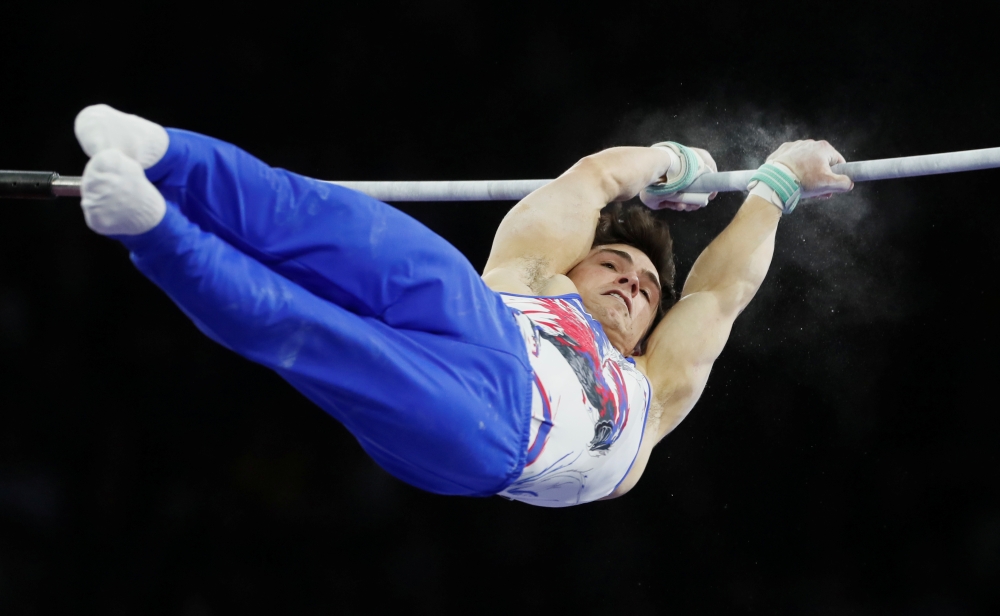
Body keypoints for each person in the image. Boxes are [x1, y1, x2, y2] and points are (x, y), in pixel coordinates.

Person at [73, 104, 853, 507]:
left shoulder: (650, 400)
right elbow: (588, 181)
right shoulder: (533, 271)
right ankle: (166, 152)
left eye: (648, 289)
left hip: (491, 434)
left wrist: (777, 182)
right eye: (613, 263)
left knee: (309, 329)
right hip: (489, 325)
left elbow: (719, 292)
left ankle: (154, 230)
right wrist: (668, 160)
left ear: (654, 326)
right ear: (574, 262)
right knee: (337, 225)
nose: (632, 282)